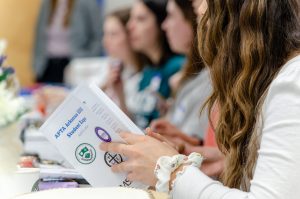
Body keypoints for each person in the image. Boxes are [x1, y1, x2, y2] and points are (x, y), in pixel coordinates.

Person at [100, 0, 300, 198]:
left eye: (205, 17)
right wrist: (228, 162)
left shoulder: (293, 80)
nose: (200, 15)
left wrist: (170, 171)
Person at [150, 0, 212, 145]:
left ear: (192, 19)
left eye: (171, 15)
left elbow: (197, 146)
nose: (164, 25)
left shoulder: (210, 79)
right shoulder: (188, 75)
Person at [126, 0, 185, 128]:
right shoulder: (147, 71)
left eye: (140, 19)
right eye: (131, 19)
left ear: (160, 23)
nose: (130, 26)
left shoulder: (178, 67)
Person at [102, 8, 143, 117]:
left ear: (131, 35)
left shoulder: (142, 77)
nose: (105, 41)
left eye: (113, 34)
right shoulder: (116, 68)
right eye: (105, 34)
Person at [33, 0, 75, 83]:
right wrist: (36, 64)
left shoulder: (84, 3)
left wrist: (85, 58)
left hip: (70, 63)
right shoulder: (47, 3)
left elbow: (97, 35)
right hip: (47, 64)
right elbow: (38, 35)